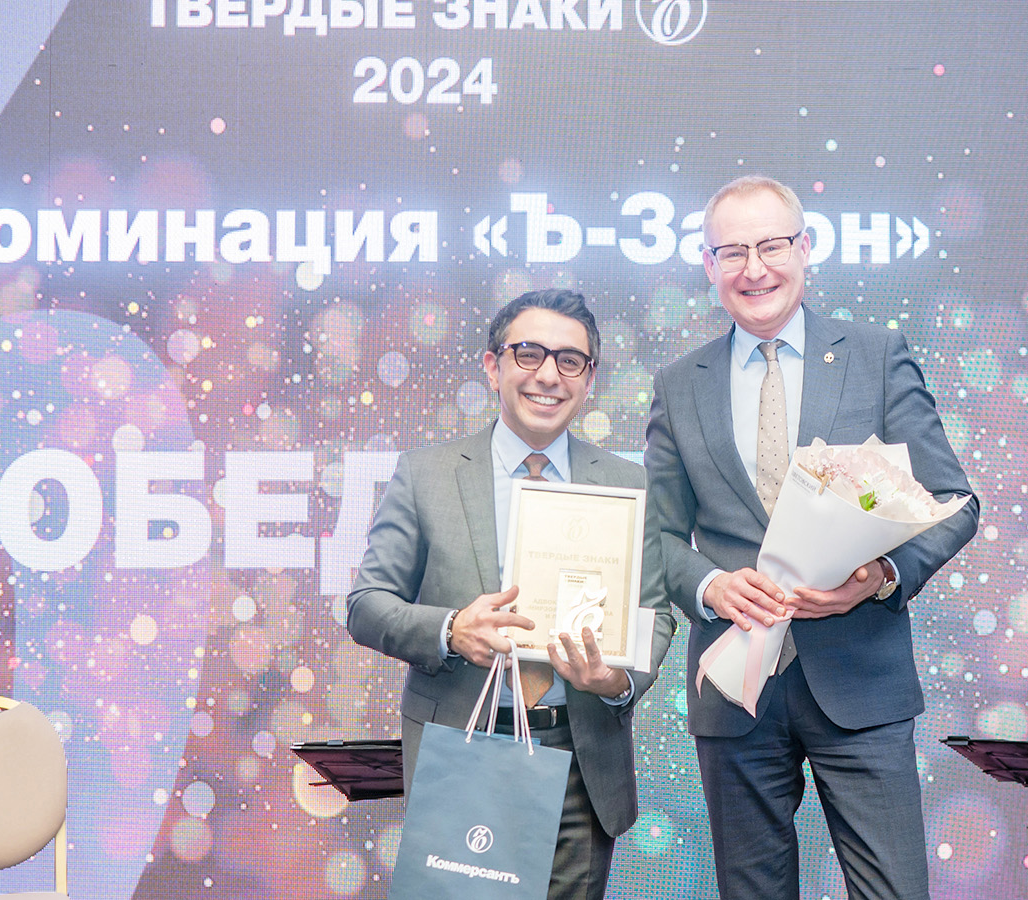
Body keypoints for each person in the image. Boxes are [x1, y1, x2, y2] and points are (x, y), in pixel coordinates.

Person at [645, 175, 979, 900]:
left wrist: (881, 575)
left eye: (771, 246)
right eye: (732, 252)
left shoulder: (875, 354)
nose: (754, 269)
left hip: (861, 678)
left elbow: (955, 502)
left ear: (805, 248)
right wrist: (711, 585)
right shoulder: (679, 384)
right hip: (736, 687)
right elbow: (655, 538)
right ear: (707, 264)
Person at [347, 289, 675, 900]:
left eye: (569, 361)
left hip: (579, 757)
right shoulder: (425, 474)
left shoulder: (628, 483)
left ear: (589, 379)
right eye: (529, 354)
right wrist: (451, 630)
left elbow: (653, 613)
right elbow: (367, 604)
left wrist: (615, 679)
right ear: (492, 366)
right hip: (462, 749)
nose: (548, 375)